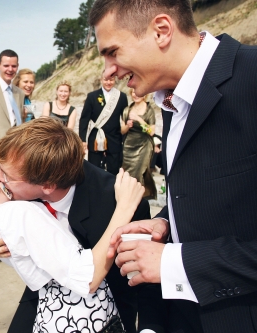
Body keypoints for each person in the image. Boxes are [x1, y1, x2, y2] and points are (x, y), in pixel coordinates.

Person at [89, 0, 257, 332]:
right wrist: (167, 223)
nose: (108, 71)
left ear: (161, 31)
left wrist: (176, 263)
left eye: (112, 52)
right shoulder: (170, 101)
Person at [0, 143, 144, 332]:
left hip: (91, 300)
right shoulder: (15, 210)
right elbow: (86, 277)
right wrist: (124, 209)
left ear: (47, 183)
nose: (3, 174)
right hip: (69, 305)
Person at [0, 117, 152, 333]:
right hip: (46, 292)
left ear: (47, 186)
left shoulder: (118, 202)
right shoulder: (22, 181)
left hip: (106, 308)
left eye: (8, 176)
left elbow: (144, 280)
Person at [79, 72, 128, 175]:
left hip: (114, 138)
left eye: (111, 80)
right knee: (94, 169)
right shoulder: (92, 96)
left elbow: (124, 119)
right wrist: (82, 139)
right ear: (101, 80)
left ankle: (112, 190)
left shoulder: (121, 97)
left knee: (114, 170)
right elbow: (84, 119)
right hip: (96, 137)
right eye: (106, 80)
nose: (108, 82)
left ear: (115, 80)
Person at [121, 89, 156, 200]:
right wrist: (127, 125)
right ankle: (128, 197)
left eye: (138, 92)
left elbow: (151, 131)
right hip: (129, 145)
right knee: (128, 173)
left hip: (144, 144)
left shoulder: (149, 110)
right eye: (133, 93)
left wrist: (139, 119)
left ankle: (141, 197)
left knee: (140, 171)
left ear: (145, 94)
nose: (136, 95)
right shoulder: (127, 110)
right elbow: (122, 131)